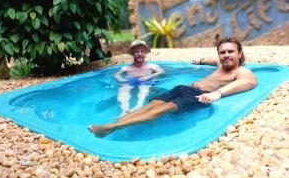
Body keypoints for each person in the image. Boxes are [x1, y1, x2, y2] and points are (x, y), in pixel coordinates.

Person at [89, 37, 258, 137]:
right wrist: (199, 61)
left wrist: (218, 94)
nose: (226, 55)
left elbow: (249, 82)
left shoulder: (241, 70)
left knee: (160, 110)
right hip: (183, 88)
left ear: (240, 53)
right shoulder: (220, 63)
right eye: (223, 52)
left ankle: (110, 128)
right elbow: (212, 60)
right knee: (151, 105)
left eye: (230, 52)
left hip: (198, 95)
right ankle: (117, 123)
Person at [114, 40, 164, 117]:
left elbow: (161, 71)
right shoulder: (126, 68)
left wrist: (149, 76)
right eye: (137, 51)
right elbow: (116, 75)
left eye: (142, 51)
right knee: (124, 88)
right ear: (133, 53)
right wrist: (122, 80)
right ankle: (124, 110)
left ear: (145, 53)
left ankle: (139, 105)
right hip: (130, 81)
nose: (140, 54)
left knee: (144, 88)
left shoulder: (152, 66)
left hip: (146, 82)